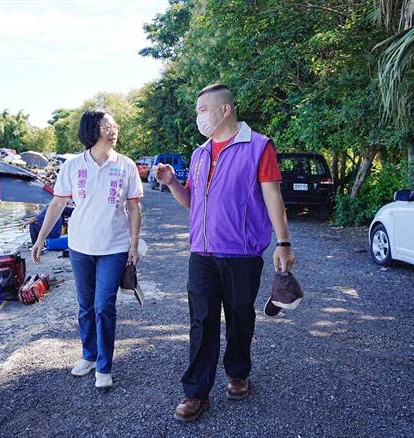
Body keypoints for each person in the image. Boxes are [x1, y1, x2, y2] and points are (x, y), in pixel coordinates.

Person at [155, 84, 296, 422]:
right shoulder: (200, 154)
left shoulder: (258, 146)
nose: (198, 116)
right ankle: (195, 393)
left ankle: (237, 372)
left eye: (203, 109)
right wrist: (174, 183)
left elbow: (273, 196)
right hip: (201, 253)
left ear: (225, 110)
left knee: (240, 316)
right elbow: (192, 203)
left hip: (241, 254)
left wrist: (284, 243)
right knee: (201, 321)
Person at [31, 110, 143, 390]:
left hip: (114, 246)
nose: (113, 130)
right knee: (85, 305)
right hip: (80, 246)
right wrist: (41, 238)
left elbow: (133, 206)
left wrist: (133, 244)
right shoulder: (73, 166)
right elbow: (57, 204)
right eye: (107, 126)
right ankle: (89, 355)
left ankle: (104, 366)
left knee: (104, 305)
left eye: (114, 125)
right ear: (92, 131)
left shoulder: (126, 165)